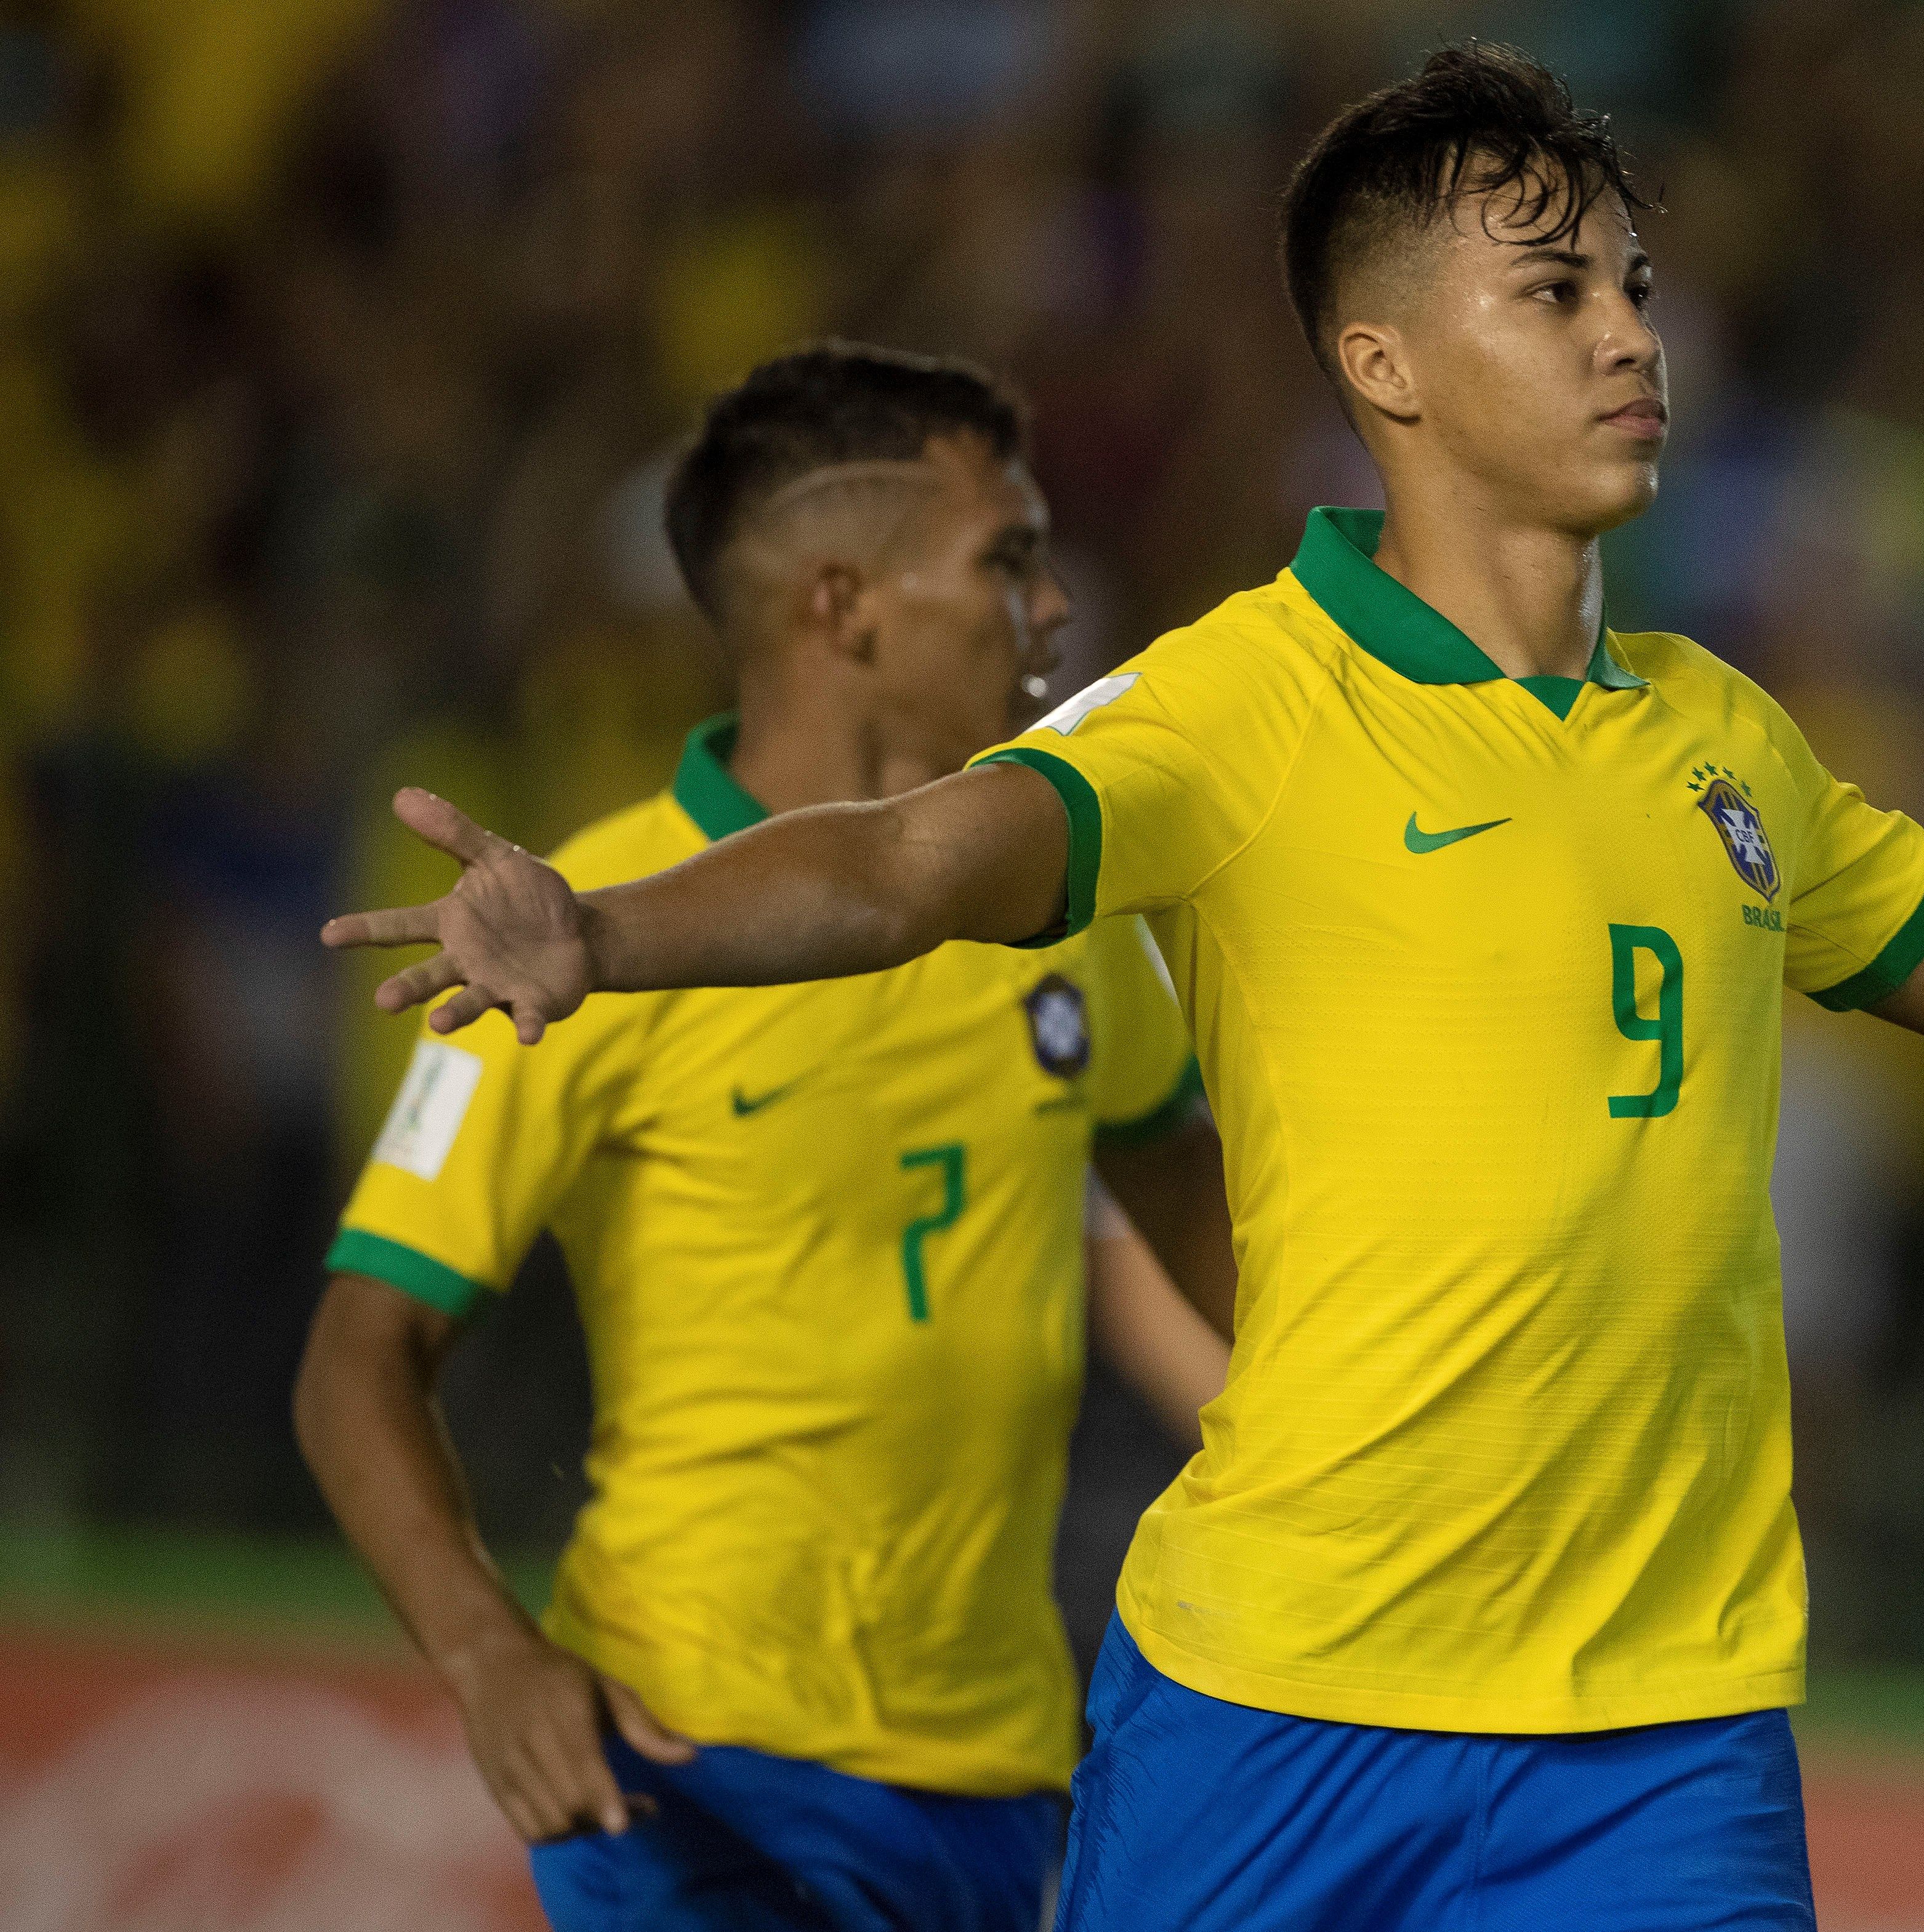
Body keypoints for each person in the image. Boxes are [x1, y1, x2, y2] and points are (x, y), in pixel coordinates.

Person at [320, 47, 1924, 1931]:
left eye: (1633, 281)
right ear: (1386, 366)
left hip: (1661, 1734)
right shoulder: (1238, 703)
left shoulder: (1727, 741)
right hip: (1277, 1705)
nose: (1632, 331)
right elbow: (917, 858)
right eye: (1553, 293)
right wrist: (608, 931)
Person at [293, 344, 1234, 1932]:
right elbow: (356, 1355)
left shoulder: (1057, 912)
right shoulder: (582, 933)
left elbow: (1202, 1237)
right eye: (1006, 559)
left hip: (998, 1774)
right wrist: (485, 1652)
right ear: (841, 606)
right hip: (691, 1767)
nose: (1054, 606)